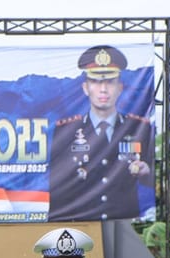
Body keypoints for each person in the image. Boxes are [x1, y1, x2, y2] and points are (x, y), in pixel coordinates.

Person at [48, 46, 155, 222]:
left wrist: (146, 172)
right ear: (85, 87)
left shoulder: (139, 128)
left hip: (125, 225)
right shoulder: (66, 131)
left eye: (110, 82)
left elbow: (155, 181)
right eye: (96, 82)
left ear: (120, 87)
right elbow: (57, 188)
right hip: (83, 223)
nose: (103, 89)